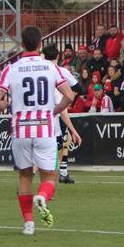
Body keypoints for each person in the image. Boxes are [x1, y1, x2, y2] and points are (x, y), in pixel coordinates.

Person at [0, 26, 76, 236]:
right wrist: (53, 111)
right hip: (44, 128)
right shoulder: (50, 67)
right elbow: (69, 95)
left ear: (21, 45)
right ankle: (43, 197)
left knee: (24, 176)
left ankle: (28, 222)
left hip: (20, 130)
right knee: (49, 176)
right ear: (40, 45)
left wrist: (7, 108)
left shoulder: (12, 68)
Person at [44, 44, 83, 185]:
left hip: (38, 112)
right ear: (58, 56)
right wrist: (70, 96)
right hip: (56, 111)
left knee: (59, 143)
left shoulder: (40, 71)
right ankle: (51, 181)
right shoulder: (61, 71)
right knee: (57, 146)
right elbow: (79, 88)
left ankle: (63, 173)